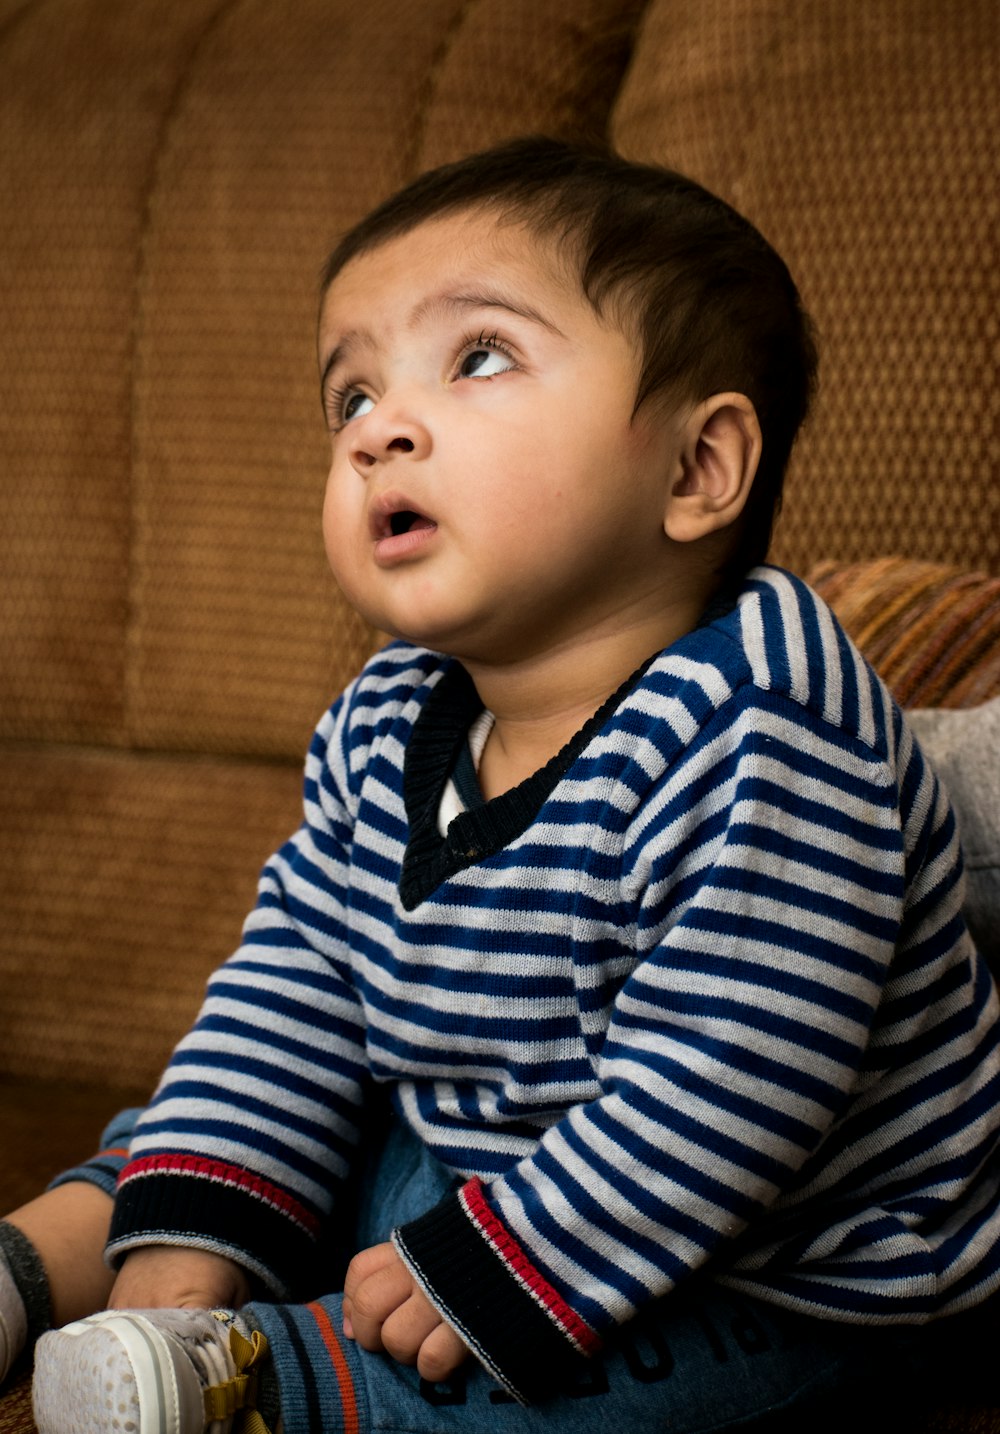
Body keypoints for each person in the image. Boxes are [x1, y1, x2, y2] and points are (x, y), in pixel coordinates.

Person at [2, 136, 998, 1434]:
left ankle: (267, 1378)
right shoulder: (383, 723)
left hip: (793, 1259)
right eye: (349, 395)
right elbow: (297, 987)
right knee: (235, 1100)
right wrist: (194, 1233)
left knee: (611, 1383)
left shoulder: (767, 720)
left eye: (476, 357)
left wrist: (497, 1259)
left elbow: (729, 1084)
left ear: (697, 470)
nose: (381, 431)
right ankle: (43, 1263)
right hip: (497, 1162)